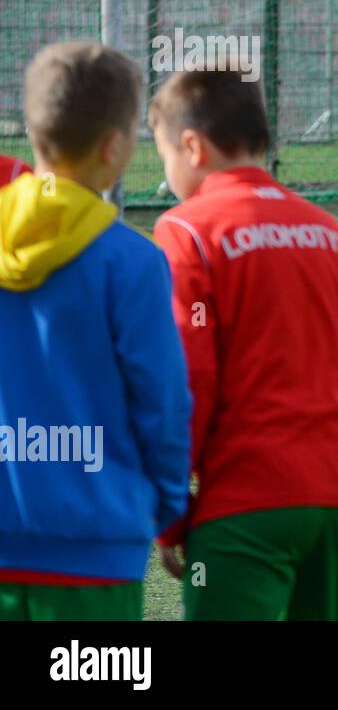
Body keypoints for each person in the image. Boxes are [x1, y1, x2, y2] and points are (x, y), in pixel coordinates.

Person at [149, 67, 338, 619]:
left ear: (191, 147)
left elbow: (185, 384)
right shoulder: (331, 231)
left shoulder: (187, 229)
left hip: (246, 501)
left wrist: (170, 515)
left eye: (163, 153)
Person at [0, 41, 190, 620]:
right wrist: (167, 511)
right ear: (114, 146)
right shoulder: (133, 262)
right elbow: (162, 402)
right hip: (96, 551)